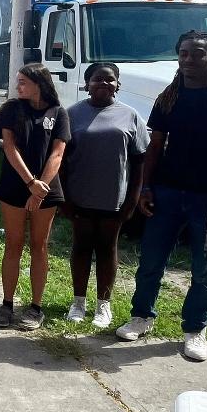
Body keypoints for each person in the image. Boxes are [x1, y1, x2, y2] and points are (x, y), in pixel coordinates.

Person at [116, 31, 207, 361]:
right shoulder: (169, 99)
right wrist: (147, 188)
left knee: (204, 269)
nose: (188, 59)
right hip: (166, 193)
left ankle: (195, 329)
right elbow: (155, 148)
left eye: (197, 54)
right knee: (150, 261)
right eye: (184, 54)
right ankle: (142, 317)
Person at [63, 63, 147, 328]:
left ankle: (104, 305)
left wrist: (133, 199)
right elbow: (60, 160)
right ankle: (78, 302)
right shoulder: (72, 114)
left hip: (114, 198)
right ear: (87, 84)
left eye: (110, 80)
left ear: (118, 85)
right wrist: (62, 197)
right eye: (98, 79)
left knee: (108, 247)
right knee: (81, 246)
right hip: (79, 196)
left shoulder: (131, 116)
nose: (104, 84)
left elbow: (139, 161)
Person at [0, 64, 70, 331]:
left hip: (47, 190)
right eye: (18, 82)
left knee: (40, 245)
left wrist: (41, 188)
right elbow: (9, 148)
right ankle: (7, 303)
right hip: (15, 187)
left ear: (39, 83)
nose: (18, 87)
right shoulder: (11, 109)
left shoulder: (58, 113)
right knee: (13, 244)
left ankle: (36, 307)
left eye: (23, 82)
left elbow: (57, 154)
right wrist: (30, 183)